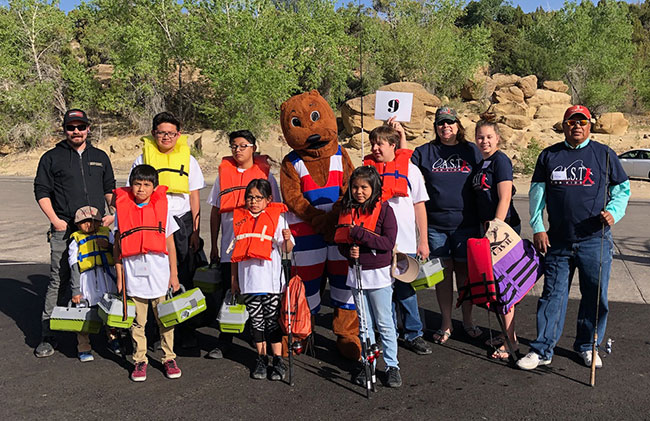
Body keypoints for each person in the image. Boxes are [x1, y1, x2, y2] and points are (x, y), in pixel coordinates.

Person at [517, 105, 630, 370]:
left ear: (589, 125)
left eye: (582, 122)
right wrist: (538, 226)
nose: (577, 126)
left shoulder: (604, 154)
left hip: (595, 240)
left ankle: (588, 346)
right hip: (558, 240)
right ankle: (542, 349)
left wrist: (614, 212)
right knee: (552, 296)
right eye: (571, 122)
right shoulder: (549, 155)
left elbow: (622, 189)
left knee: (594, 295)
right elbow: (537, 195)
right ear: (564, 125)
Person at [34, 109, 116, 358]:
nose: (76, 131)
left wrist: (114, 213)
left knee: (102, 274)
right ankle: (49, 334)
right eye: (71, 127)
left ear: (88, 128)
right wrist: (55, 221)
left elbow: (109, 188)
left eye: (81, 126)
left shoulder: (100, 156)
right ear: (65, 129)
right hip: (65, 228)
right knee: (59, 280)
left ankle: (109, 331)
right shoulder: (52, 157)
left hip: (96, 228)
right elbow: (41, 191)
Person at [129, 111, 205, 347]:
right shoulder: (142, 159)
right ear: (154, 133)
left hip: (181, 222)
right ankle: (154, 331)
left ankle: (185, 330)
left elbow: (194, 197)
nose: (166, 137)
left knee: (183, 275)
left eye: (171, 133)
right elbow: (133, 195)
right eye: (162, 133)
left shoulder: (189, 160)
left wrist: (195, 231)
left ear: (178, 135)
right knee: (153, 277)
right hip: (152, 223)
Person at [411, 106, 483, 345]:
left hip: (467, 224)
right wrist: (399, 137)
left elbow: (489, 172)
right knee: (442, 275)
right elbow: (404, 164)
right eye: (441, 123)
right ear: (436, 126)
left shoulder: (471, 151)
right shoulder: (426, 152)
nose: (446, 127)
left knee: (465, 275)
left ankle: (468, 320)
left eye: (450, 122)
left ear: (458, 125)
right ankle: (446, 322)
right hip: (436, 226)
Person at [206, 130, 280, 359]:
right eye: (234, 146)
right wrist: (215, 246)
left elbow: (275, 212)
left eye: (243, 145)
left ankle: (261, 342)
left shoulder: (266, 176)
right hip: (232, 245)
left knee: (261, 300)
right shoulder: (223, 175)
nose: (238, 150)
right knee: (230, 294)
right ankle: (224, 341)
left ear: (254, 147)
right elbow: (216, 212)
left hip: (259, 248)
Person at [364, 122, 432, 355]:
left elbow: (419, 206)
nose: (375, 148)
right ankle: (387, 333)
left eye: (380, 143)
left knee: (406, 291)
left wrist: (423, 240)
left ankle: (413, 333)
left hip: (404, 243)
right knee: (383, 292)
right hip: (377, 243)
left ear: (393, 145)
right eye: (372, 143)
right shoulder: (368, 173)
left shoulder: (410, 170)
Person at [114, 164, 182, 382]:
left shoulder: (163, 208)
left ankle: (168, 357)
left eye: (146, 184)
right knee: (137, 323)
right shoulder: (122, 211)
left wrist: (174, 275)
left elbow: (170, 245)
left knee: (165, 321)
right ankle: (139, 360)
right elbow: (117, 247)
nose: (141, 189)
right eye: (137, 184)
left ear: (154, 187)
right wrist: (119, 276)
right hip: (134, 278)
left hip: (159, 277)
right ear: (130, 185)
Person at [336, 166, 401, 388]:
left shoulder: (385, 210)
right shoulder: (347, 209)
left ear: (373, 188)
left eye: (364, 187)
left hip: (379, 275)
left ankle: (392, 366)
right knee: (364, 324)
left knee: (384, 322)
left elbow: (387, 243)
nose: (359, 192)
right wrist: (348, 251)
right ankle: (368, 363)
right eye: (355, 187)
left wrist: (359, 235)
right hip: (356, 274)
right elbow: (341, 243)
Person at [228, 179, 295, 380]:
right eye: (250, 197)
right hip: (249, 282)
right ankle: (261, 358)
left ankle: (278, 360)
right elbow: (234, 253)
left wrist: (287, 238)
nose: (253, 202)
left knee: (272, 321)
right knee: (256, 322)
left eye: (258, 198)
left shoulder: (278, 219)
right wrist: (234, 280)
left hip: (271, 282)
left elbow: (287, 249)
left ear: (268, 199)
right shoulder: (239, 219)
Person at [471, 119, 521, 359]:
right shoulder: (482, 163)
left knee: (504, 287)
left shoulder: (501, 161)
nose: (485, 141)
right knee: (496, 288)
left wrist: (495, 231)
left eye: (489, 136)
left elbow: (504, 197)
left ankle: (512, 343)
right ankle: (506, 335)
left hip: (502, 232)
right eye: (480, 137)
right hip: (487, 231)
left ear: (498, 138)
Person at [68, 205, 120, 362]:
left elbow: (118, 252)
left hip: (107, 277)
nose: (89, 225)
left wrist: (109, 247)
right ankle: (84, 346)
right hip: (87, 280)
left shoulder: (107, 233)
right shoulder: (75, 239)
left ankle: (113, 338)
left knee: (110, 311)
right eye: (84, 222)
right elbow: (74, 265)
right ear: (78, 224)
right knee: (85, 313)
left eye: (93, 221)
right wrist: (75, 290)